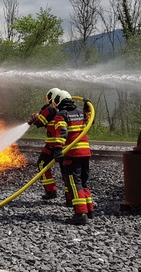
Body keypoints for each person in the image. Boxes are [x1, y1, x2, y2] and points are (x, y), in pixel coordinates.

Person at [52, 90, 95, 225]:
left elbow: (62, 132)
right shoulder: (80, 113)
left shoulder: (61, 115)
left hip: (72, 154)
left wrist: (58, 149)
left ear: (59, 102)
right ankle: (89, 210)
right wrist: (87, 109)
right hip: (85, 153)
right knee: (83, 182)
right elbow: (90, 121)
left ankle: (80, 214)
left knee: (74, 184)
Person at [28, 87, 66, 200]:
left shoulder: (49, 109)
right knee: (66, 170)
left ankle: (51, 191)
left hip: (52, 145)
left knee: (42, 164)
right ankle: (70, 198)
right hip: (65, 145)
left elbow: (40, 122)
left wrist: (35, 117)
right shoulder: (64, 111)